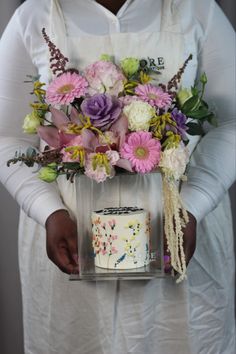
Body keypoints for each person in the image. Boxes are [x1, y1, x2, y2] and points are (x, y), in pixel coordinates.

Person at [0, 0, 235, 353]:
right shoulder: (35, 16)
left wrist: (194, 205)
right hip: (71, 246)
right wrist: (46, 209)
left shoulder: (196, 10)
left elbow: (231, 123)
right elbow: (9, 138)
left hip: (178, 239)